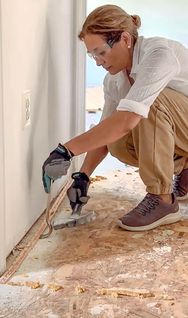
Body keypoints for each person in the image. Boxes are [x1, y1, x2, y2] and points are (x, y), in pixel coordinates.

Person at [42, 4, 188, 231]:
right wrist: (83, 177)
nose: (99, 61)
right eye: (93, 56)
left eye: (101, 52)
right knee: (115, 141)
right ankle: (184, 167)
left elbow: (129, 118)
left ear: (126, 39)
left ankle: (162, 200)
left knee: (148, 104)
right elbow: (106, 131)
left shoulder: (159, 54)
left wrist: (66, 151)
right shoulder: (113, 80)